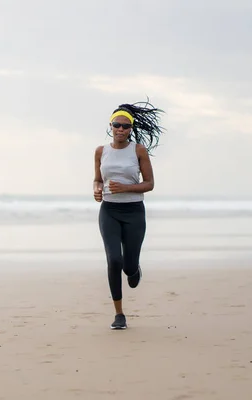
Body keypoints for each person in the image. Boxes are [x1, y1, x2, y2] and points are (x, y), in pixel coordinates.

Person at [93, 100, 165, 330]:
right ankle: (119, 314)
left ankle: (134, 270)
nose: (121, 129)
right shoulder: (101, 151)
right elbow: (97, 179)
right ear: (111, 126)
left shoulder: (139, 150)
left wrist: (126, 188)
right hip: (109, 211)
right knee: (114, 260)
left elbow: (150, 184)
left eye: (126, 126)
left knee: (128, 266)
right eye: (117, 125)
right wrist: (96, 188)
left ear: (131, 129)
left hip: (134, 212)